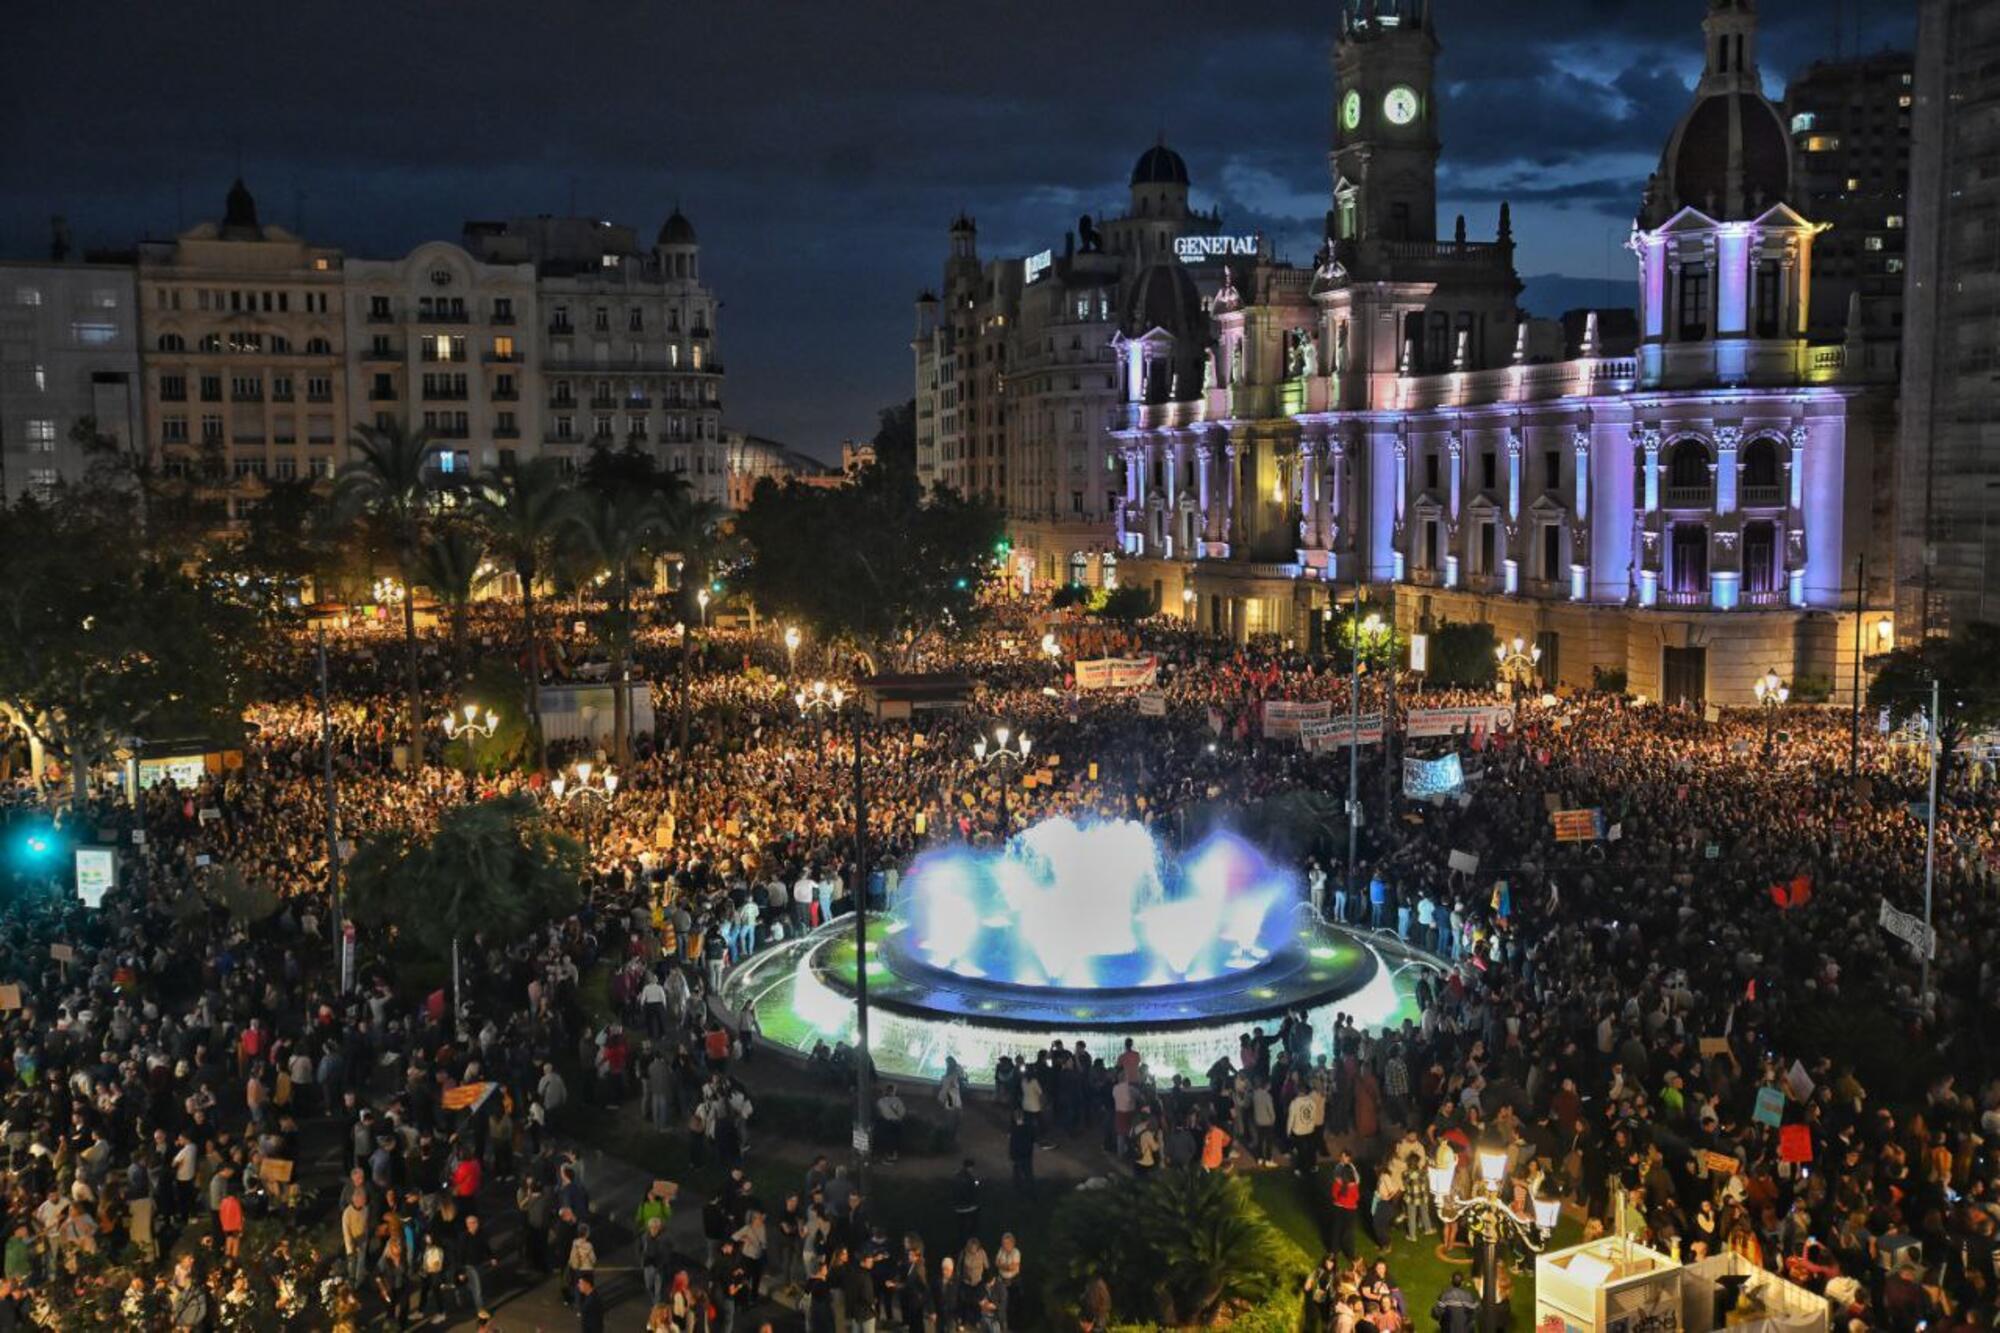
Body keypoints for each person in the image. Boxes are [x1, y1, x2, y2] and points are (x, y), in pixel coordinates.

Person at [1329, 1149, 1362, 1258]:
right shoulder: (1353, 1186)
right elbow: (1356, 1197)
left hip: (1338, 1208)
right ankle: (1350, 1253)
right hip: (1350, 1210)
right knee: (1349, 1232)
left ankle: (1334, 1251)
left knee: (1336, 1229)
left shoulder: (1338, 1183)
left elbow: (1334, 1194)